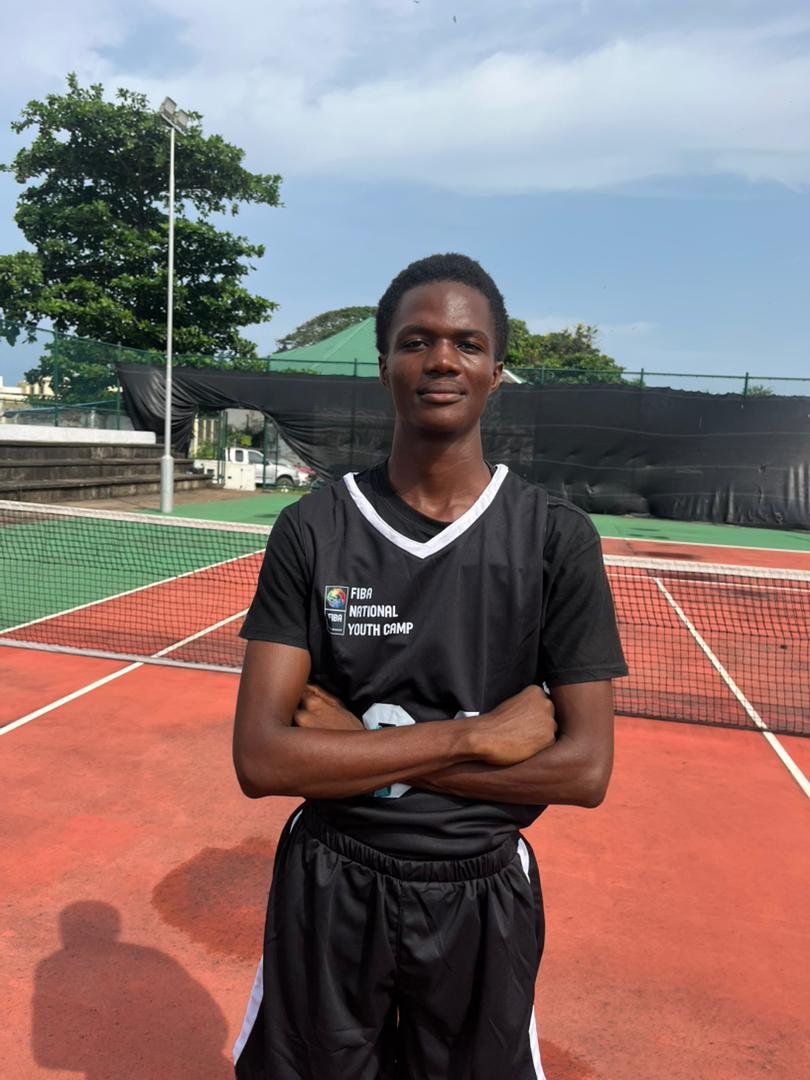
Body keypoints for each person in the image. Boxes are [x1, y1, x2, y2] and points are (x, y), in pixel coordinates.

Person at [232, 253, 627, 1080]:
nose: (442, 359)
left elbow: (585, 770)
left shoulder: (557, 539)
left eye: (466, 343)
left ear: (495, 370)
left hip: (482, 892)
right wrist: (471, 738)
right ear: (384, 366)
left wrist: (362, 751)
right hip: (330, 882)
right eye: (417, 341)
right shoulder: (312, 529)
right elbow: (263, 760)